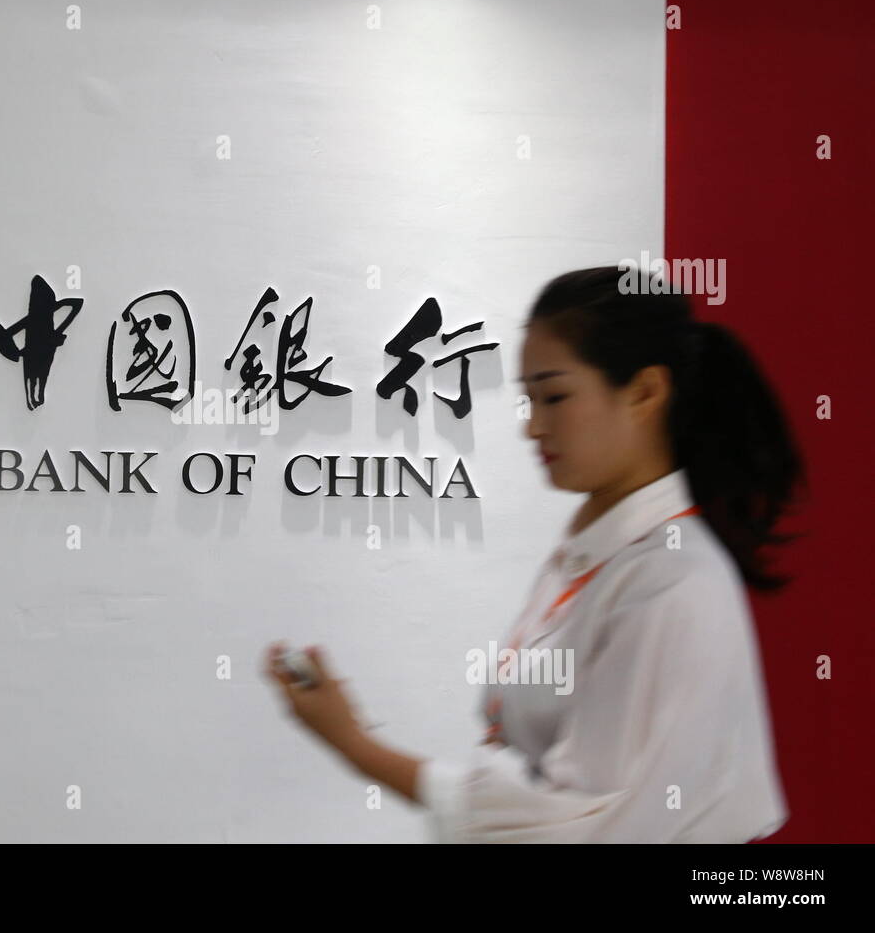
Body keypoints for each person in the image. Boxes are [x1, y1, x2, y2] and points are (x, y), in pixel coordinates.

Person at [264, 266, 803, 842]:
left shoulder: (670, 584)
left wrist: (357, 746)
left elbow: (574, 827)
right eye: (529, 399)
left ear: (645, 392)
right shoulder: (589, 559)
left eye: (555, 396)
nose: (532, 427)